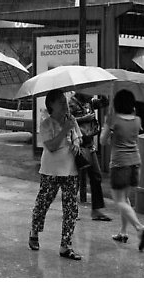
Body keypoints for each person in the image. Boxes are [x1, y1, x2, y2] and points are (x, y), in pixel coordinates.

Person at [29, 89, 83, 261]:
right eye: (60, 101)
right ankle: (34, 232)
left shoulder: (71, 120)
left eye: (65, 101)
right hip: (51, 170)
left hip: (70, 170)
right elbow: (51, 146)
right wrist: (64, 129)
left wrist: (76, 143)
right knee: (43, 203)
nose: (65, 104)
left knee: (71, 209)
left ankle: (65, 245)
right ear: (51, 104)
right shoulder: (46, 123)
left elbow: (79, 138)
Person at [100, 89, 144, 251]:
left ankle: (139, 228)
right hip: (135, 163)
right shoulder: (137, 120)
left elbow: (102, 141)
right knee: (125, 198)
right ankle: (122, 232)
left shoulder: (114, 120)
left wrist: (107, 123)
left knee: (119, 200)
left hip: (120, 164)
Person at [68, 92, 112, 221]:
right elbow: (67, 120)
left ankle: (96, 211)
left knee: (96, 176)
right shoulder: (72, 103)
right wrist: (85, 118)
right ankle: (70, 210)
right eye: (89, 94)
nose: (91, 96)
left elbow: (104, 103)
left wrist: (103, 92)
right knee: (75, 179)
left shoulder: (89, 102)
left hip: (89, 144)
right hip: (78, 144)